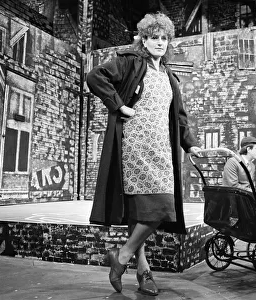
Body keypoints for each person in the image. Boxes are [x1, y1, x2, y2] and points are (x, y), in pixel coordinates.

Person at [86, 12, 201, 296]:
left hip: (162, 148)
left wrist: (190, 144)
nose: (160, 43)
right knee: (150, 209)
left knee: (158, 207)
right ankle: (137, 265)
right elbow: (95, 76)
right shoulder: (130, 62)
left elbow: (180, 117)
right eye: (154, 38)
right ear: (144, 39)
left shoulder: (170, 76)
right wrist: (119, 106)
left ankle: (125, 258)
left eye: (164, 38)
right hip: (134, 146)